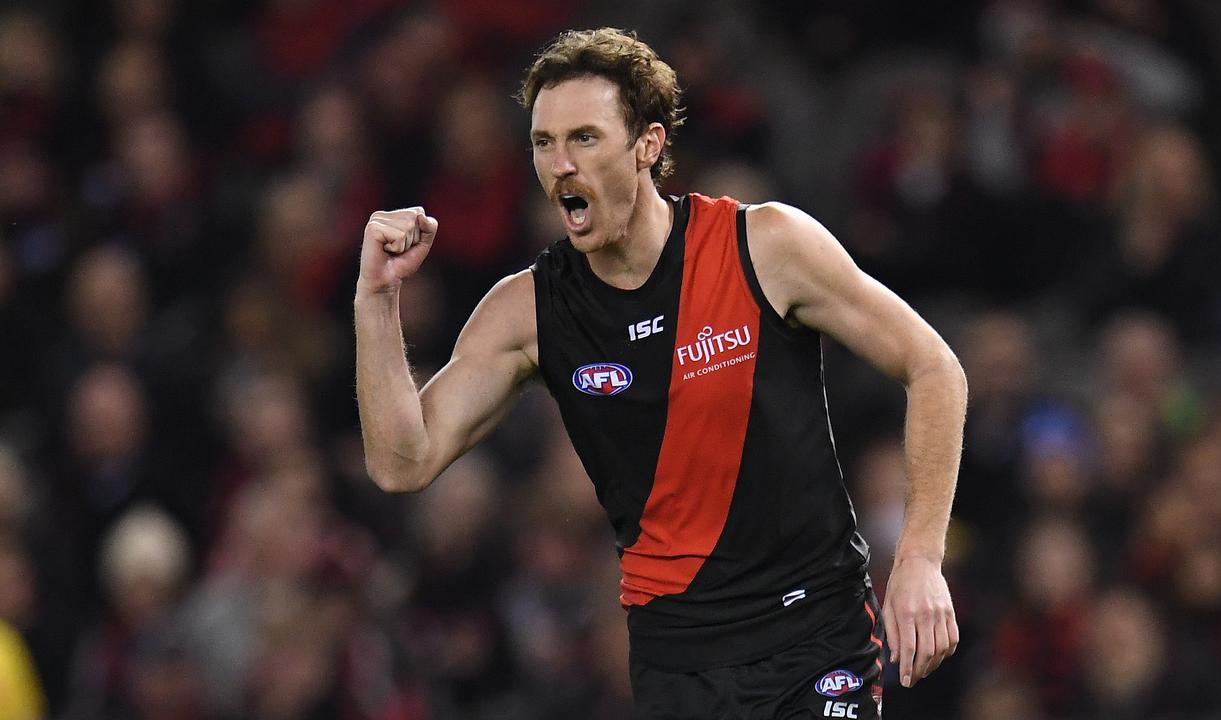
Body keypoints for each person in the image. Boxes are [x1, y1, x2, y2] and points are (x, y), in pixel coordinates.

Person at [354, 27, 966, 719]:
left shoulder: (761, 247)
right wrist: (377, 299)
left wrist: (918, 557)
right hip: (676, 662)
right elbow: (403, 462)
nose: (561, 164)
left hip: (816, 638)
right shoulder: (529, 310)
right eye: (543, 142)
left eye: (584, 138)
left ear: (647, 145)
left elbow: (933, 365)